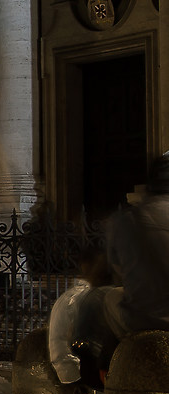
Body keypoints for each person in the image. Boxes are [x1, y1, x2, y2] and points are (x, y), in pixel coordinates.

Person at [65, 152, 169, 375]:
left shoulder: (128, 220)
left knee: (101, 297)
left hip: (148, 319)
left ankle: (97, 370)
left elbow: (118, 272)